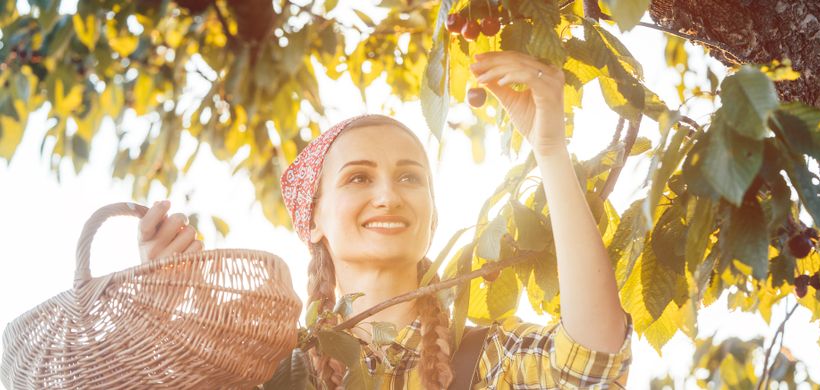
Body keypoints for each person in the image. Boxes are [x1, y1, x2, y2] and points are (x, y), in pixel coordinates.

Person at [139, 51, 632, 389]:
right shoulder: (270, 364)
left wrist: (549, 148)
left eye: (410, 178)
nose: (388, 195)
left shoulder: (486, 356)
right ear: (312, 221)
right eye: (357, 178)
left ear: (433, 220)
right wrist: (165, 311)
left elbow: (591, 367)